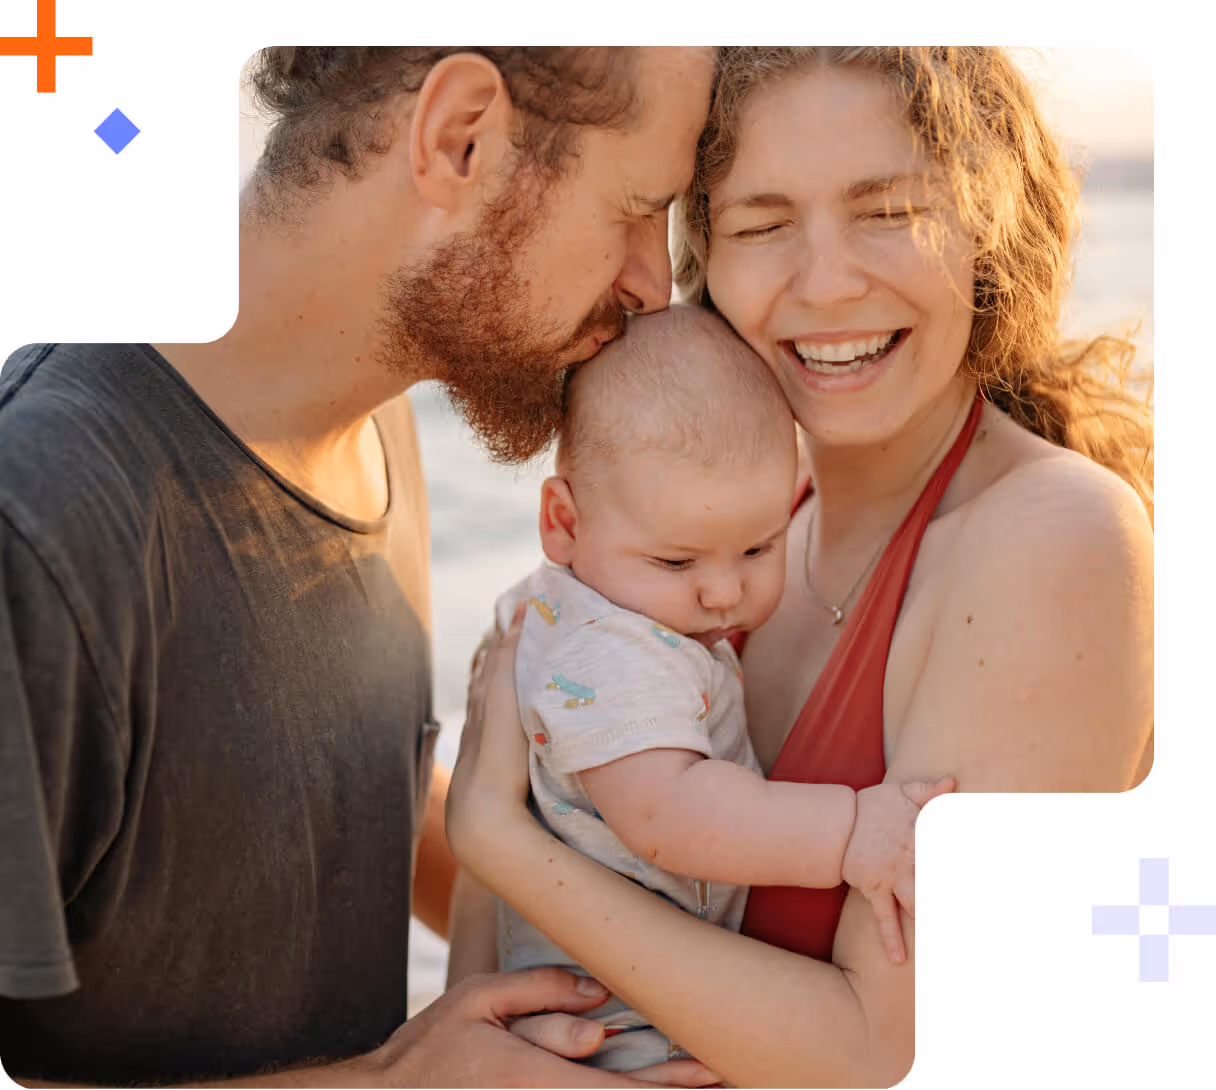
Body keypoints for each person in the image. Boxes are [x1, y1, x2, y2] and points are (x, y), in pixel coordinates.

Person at [0, 46, 719, 1088]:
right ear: (458, 136)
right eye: (634, 207)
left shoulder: (373, 423)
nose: (652, 281)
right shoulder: (43, 521)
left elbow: (337, 797)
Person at [445, 46, 1155, 1088]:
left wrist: (494, 837)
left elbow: (887, 1052)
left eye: (886, 210)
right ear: (704, 262)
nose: (825, 282)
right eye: (762, 225)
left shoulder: (1057, 537)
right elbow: (488, 996)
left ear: (986, 225)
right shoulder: (721, 553)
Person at [444, 305, 954, 1070]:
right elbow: (668, 814)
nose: (722, 592)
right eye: (677, 563)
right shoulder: (610, 653)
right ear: (563, 522)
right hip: (619, 1033)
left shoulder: (574, 600)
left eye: (758, 546)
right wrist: (850, 831)